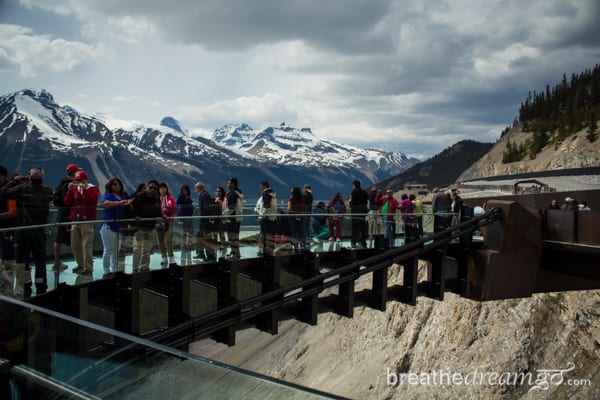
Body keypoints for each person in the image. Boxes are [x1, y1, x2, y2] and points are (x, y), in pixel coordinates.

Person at [1, 167, 53, 297]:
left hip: (23, 230)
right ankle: (41, 285)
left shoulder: (23, 189)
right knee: (40, 258)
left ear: (29, 178)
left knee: (22, 260)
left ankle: (26, 284)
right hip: (40, 231)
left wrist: (14, 181)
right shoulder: (47, 191)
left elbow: (3, 192)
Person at [63, 170, 99, 276]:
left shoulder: (92, 188)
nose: (78, 182)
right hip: (75, 219)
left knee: (86, 244)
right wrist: (69, 191)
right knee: (75, 244)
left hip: (87, 220)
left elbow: (93, 201)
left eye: (80, 180)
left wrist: (85, 190)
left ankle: (88, 267)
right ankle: (80, 264)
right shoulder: (74, 189)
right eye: (77, 180)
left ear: (85, 180)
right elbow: (67, 202)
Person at [99, 177, 131, 278]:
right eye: (114, 184)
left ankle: (115, 269)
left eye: (118, 184)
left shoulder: (123, 195)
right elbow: (104, 204)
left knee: (116, 250)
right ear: (110, 186)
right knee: (108, 250)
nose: (117, 186)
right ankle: (106, 271)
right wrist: (119, 203)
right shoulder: (108, 195)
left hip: (119, 226)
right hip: (108, 225)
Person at [52, 163, 79, 271]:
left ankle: (56, 261)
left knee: (59, 239)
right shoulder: (69, 185)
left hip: (61, 213)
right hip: (67, 214)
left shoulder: (61, 184)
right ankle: (80, 262)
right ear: (73, 173)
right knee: (70, 238)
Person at [131, 180, 162, 271]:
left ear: (157, 190)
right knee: (137, 249)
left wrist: (160, 217)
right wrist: (136, 217)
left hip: (151, 228)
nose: (152, 190)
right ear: (147, 187)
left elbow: (158, 211)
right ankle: (135, 269)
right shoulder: (139, 197)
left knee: (147, 250)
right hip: (139, 228)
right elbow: (134, 210)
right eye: (150, 187)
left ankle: (144, 267)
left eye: (154, 188)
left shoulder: (157, 198)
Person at [0, 166, 16, 293]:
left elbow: (12, 212)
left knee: (8, 259)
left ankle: (9, 286)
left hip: (7, 228)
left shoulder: (9, 191)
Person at [195, 182, 216, 261]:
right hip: (203, 219)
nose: (195, 189)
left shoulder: (204, 195)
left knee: (207, 237)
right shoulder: (203, 194)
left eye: (196, 188)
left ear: (200, 188)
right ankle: (202, 254)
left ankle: (210, 256)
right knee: (200, 237)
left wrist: (204, 216)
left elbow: (206, 207)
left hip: (205, 220)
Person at [223, 177, 244, 259]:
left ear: (233, 184)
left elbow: (231, 207)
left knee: (232, 237)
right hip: (237, 218)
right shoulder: (239, 192)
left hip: (231, 218)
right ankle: (234, 252)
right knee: (235, 236)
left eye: (228, 183)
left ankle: (235, 254)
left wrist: (224, 215)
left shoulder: (232, 194)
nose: (227, 184)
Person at [157, 182, 178, 265]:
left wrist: (167, 210)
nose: (163, 189)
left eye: (164, 188)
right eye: (161, 188)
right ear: (158, 189)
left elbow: (175, 209)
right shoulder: (156, 198)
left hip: (168, 221)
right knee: (160, 240)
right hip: (158, 222)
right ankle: (164, 257)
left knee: (168, 240)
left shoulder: (170, 198)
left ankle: (171, 257)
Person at [257, 181, 278, 254]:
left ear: (264, 186)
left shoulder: (266, 194)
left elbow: (266, 206)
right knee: (271, 235)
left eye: (260, 186)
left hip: (266, 218)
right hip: (272, 217)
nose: (260, 188)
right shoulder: (273, 193)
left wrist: (261, 216)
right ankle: (271, 251)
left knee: (265, 235)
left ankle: (265, 252)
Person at [176, 184, 194, 265]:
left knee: (189, 231)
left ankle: (188, 244)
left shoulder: (188, 197)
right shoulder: (180, 196)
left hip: (189, 217)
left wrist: (193, 208)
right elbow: (177, 204)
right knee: (183, 231)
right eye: (184, 190)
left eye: (186, 190)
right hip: (183, 217)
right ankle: (183, 245)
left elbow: (190, 205)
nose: (185, 192)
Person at [349, 180, 369, 248]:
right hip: (363, 211)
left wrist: (350, 202)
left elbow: (352, 203)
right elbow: (366, 201)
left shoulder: (353, 192)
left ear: (354, 185)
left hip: (355, 211)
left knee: (354, 228)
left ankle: (353, 243)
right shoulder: (364, 192)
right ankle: (364, 243)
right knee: (363, 228)